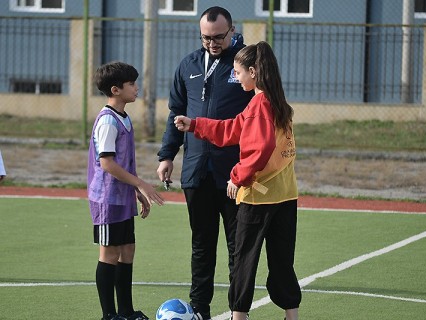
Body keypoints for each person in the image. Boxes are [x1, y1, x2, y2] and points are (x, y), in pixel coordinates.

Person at [174, 41, 302, 320]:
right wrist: (195, 124)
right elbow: (234, 129)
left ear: (253, 72)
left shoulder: (258, 103)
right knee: (282, 260)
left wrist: (237, 176)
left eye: (238, 72)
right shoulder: (277, 101)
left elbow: (261, 147)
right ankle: (291, 314)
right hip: (286, 195)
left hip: (259, 195)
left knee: (244, 258)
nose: (236, 77)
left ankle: (239, 315)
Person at [156, 6, 254, 320]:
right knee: (201, 245)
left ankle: (239, 310)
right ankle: (200, 309)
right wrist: (167, 155)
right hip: (196, 171)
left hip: (234, 173)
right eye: (206, 37)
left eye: (218, 37)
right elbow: (175, 113)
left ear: (232, 31)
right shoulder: (189, 64)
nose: (212, 43)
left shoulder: (247, 66)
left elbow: (260, 116)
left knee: (238, 248)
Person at [88, 61, 165, 320]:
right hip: (107, 199)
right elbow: (107, 163)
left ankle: (126, 311)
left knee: (128, 249)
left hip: (121, 197)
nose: (136, 87)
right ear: (116, 89)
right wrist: (141, 183)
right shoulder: (107, 121)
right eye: (131, 83)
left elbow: (122, 164)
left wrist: (135, 192)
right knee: (109, 253)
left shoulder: (124, 118)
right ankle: (109, 315)